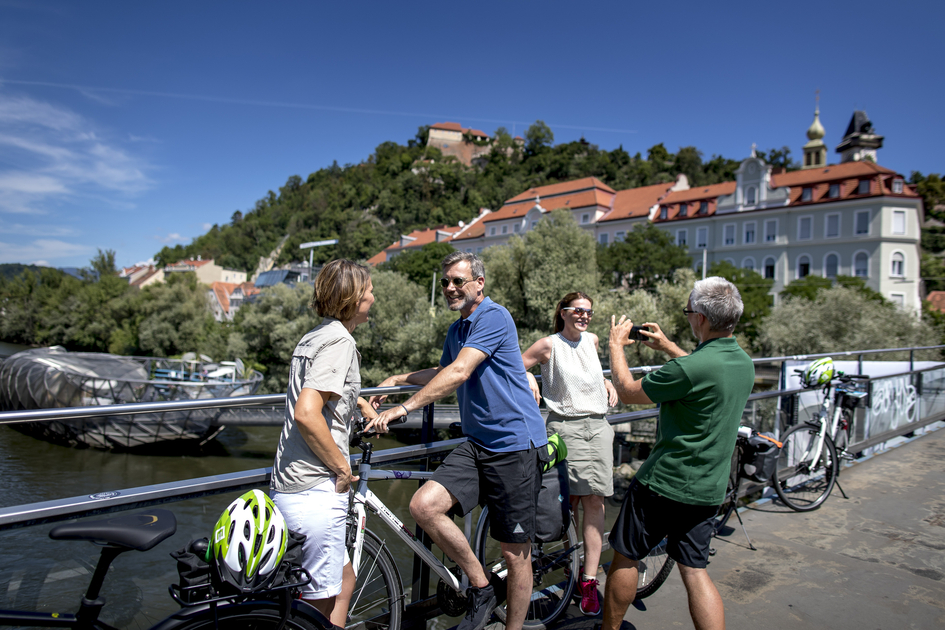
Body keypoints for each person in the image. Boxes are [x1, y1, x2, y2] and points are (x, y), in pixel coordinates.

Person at [368, 251, 547, 630]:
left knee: (517, 555)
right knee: (424, 506)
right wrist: (397, 379)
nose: (449, 287)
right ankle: (481, 586)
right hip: (478, 442)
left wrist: (404, 409)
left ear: (479, 284)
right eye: (446, 281)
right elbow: (444, 369)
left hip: (515, 444)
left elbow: (461, 372)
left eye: (458, 281)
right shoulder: (457, 329)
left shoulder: (494, 317)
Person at [602, 276, 754, 630]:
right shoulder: (742, 363)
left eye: (689, 312)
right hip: (708, 489)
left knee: (626, 556)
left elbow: (626, 391)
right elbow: (703, 373)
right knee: (695, 571)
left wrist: (615, 346)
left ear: (700, 318)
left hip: (663, 482)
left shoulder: (687, 369)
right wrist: (670, 346)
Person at [269, 259, 376, 627]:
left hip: (291, 486)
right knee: (315, 611)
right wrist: (342, 467)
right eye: (369, 290)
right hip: (315, 489)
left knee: (344, 581)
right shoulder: (340, 341)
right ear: (352, 297)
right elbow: (307, 412)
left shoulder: (316, 335)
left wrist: (358, 402)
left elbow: (319, 390)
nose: (373, 298)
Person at [520, 292, 618, 616]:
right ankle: (572, 569)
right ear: (563, 312)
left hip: (599, 427)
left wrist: (605, 380)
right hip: (566, 429)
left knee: (596, 500)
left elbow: (586, 371)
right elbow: (513, 366)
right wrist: (528, 379)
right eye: (578, 310)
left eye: (589, 311)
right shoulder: (548, 345)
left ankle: (588, 580)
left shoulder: (591, 340)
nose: (584, 316)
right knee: (570, 504)